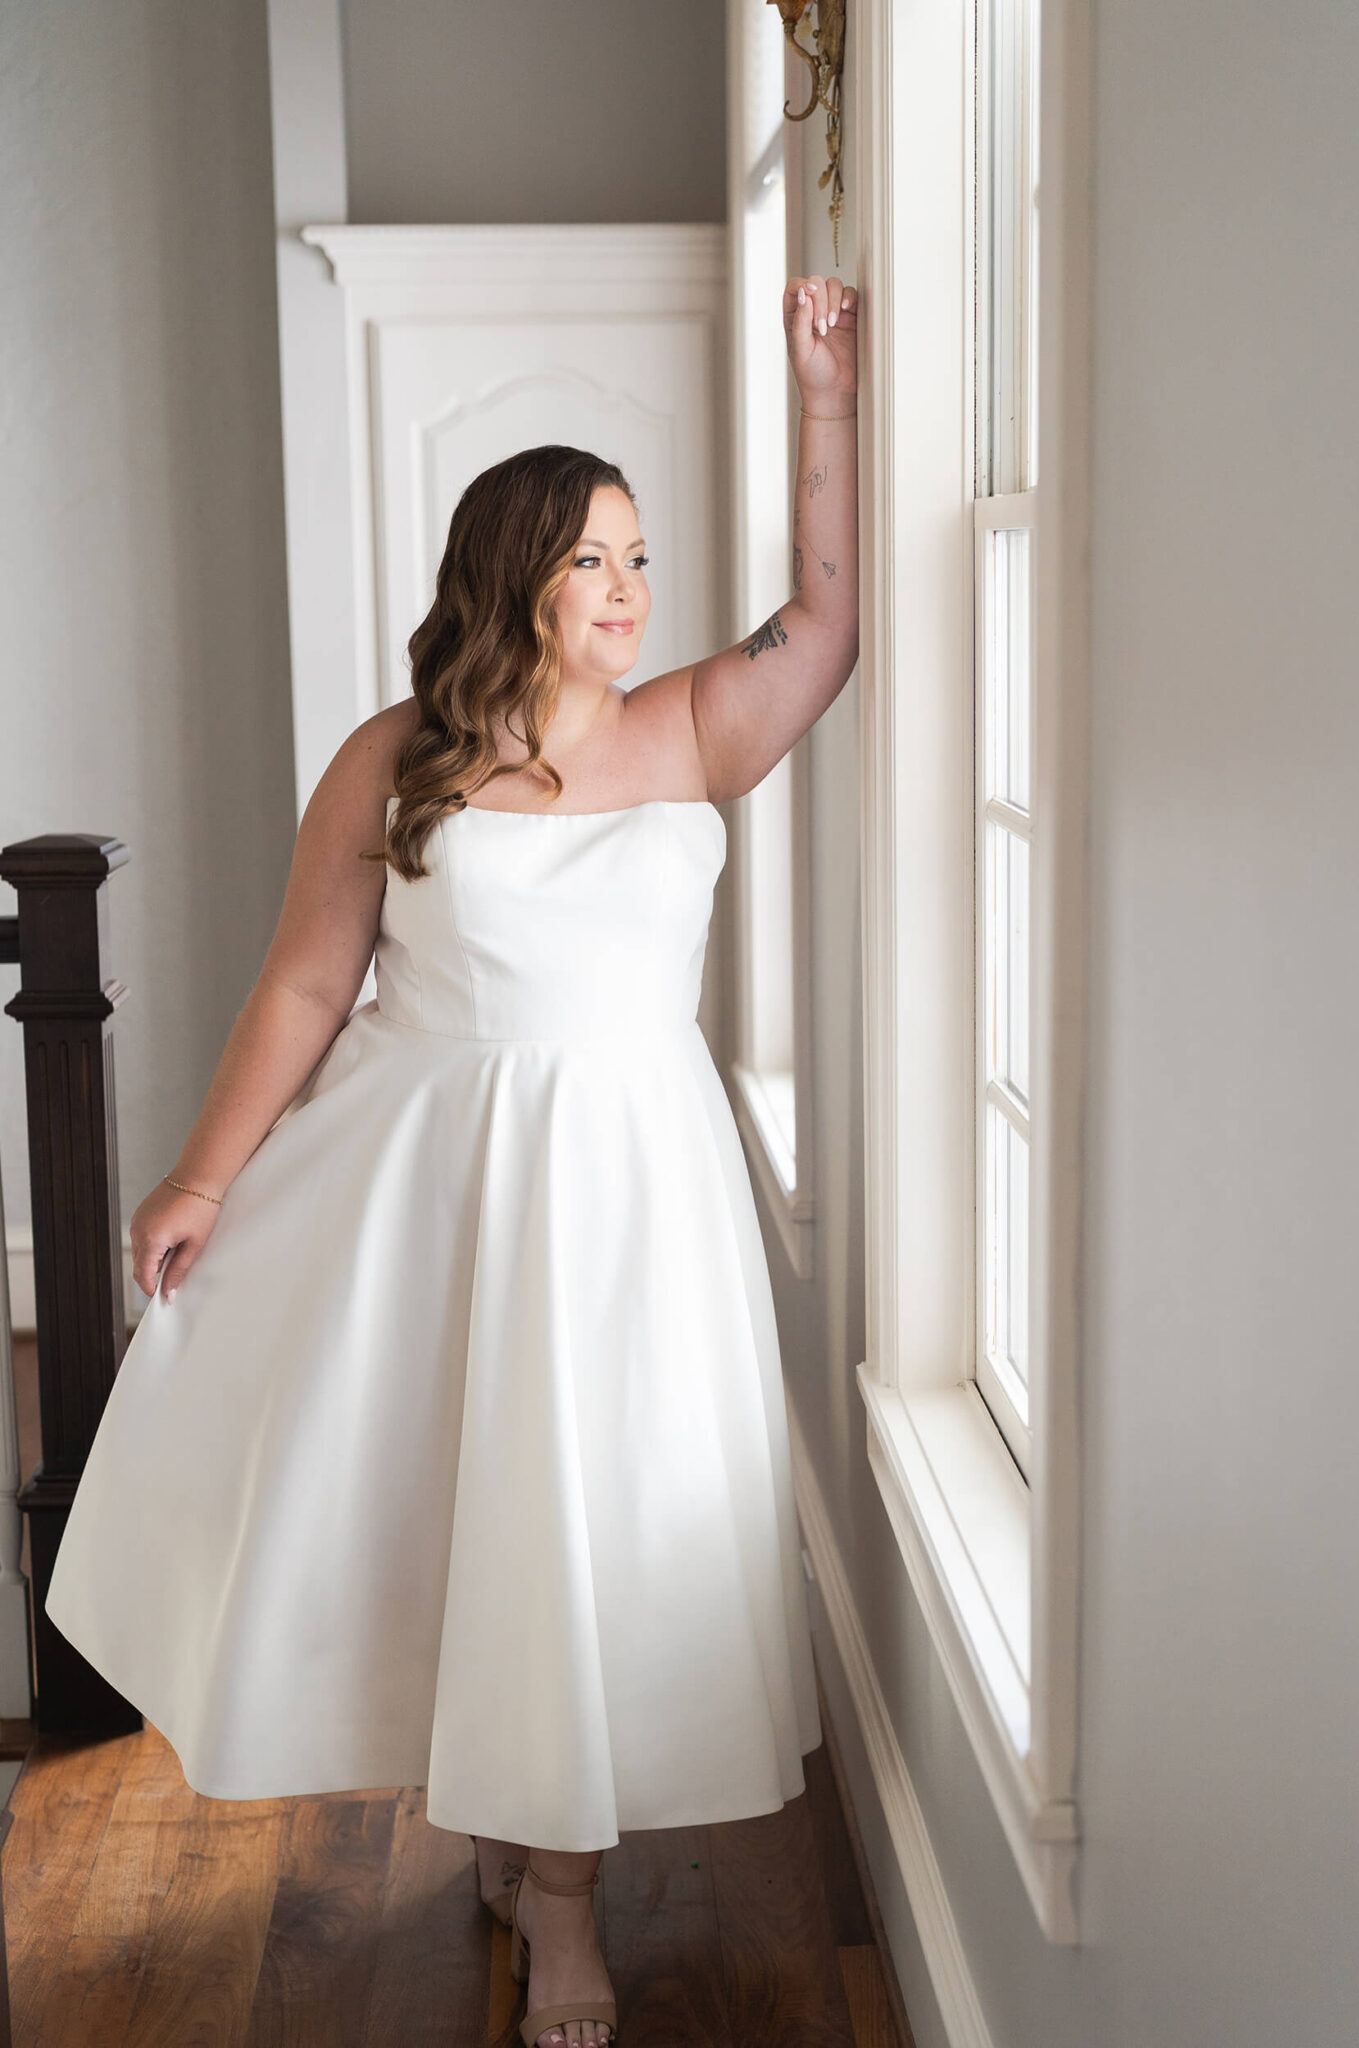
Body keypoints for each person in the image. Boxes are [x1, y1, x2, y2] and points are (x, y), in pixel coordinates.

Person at [45, 272, 859, 2048]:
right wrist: (198, 1179)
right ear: (512, 577)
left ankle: (560, 1894)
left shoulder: (693, 727)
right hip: (433, 1185)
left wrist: (825, 398)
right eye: (592, 560)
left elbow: (824, 619)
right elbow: (305, 985)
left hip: (632, 1194)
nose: (630, 590)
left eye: (640, 557)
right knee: (462, 1517)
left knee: (586, 1521)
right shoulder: (394, 760)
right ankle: (514, 1834)